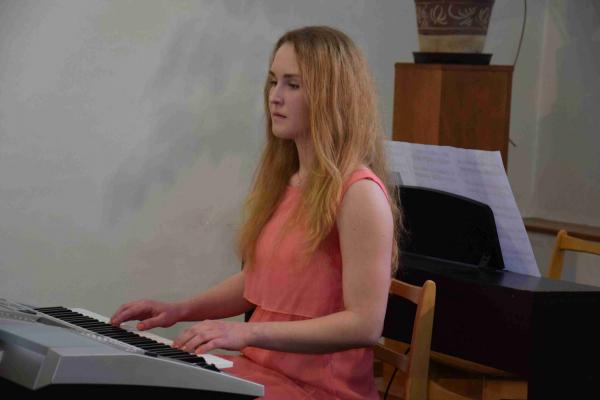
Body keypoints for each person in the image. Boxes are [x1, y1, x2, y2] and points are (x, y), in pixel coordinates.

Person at [110, 25, 401, 399]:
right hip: (258, 374)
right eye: (273, 81)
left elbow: (364, 324)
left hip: (319, 390)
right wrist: (179, 310)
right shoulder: (288, 180)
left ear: (332, 97)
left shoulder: (359, 193)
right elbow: (257, 283)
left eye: (293, 85)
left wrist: (244, 332)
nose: (274, 97)